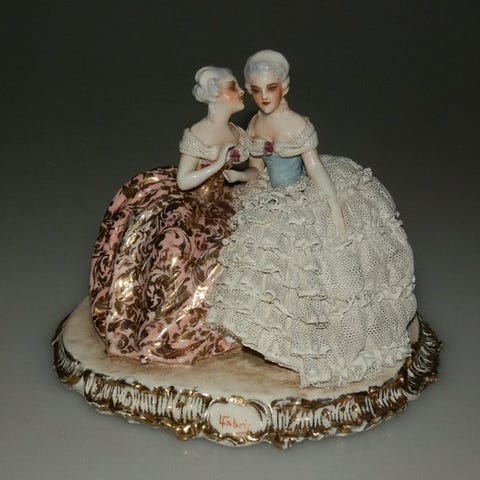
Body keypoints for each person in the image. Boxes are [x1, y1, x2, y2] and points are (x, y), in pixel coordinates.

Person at [207, 51, 417, 387]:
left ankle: (314, 341)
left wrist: (334, 207)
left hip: (301, 196)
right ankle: (274, 338)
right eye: (257, 90)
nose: (264, 97)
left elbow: (316, 169)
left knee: (312, 270)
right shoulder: (255, 124)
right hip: (271, 197)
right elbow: (257, 171)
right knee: (266, 272)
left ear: (285, 87)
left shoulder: (298, 126)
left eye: (271, 88)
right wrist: (239, 176)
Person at [90, 66, 249, 364]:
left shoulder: (239, 134)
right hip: (192, 200)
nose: (241, 92)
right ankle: (160, 331)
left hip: (226, 200)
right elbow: (183, 181)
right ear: (216, 94)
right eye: (233, 87)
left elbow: (256, 172)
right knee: (174, 245)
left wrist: (240, 176)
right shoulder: (198, 133)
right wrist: (218, 164)